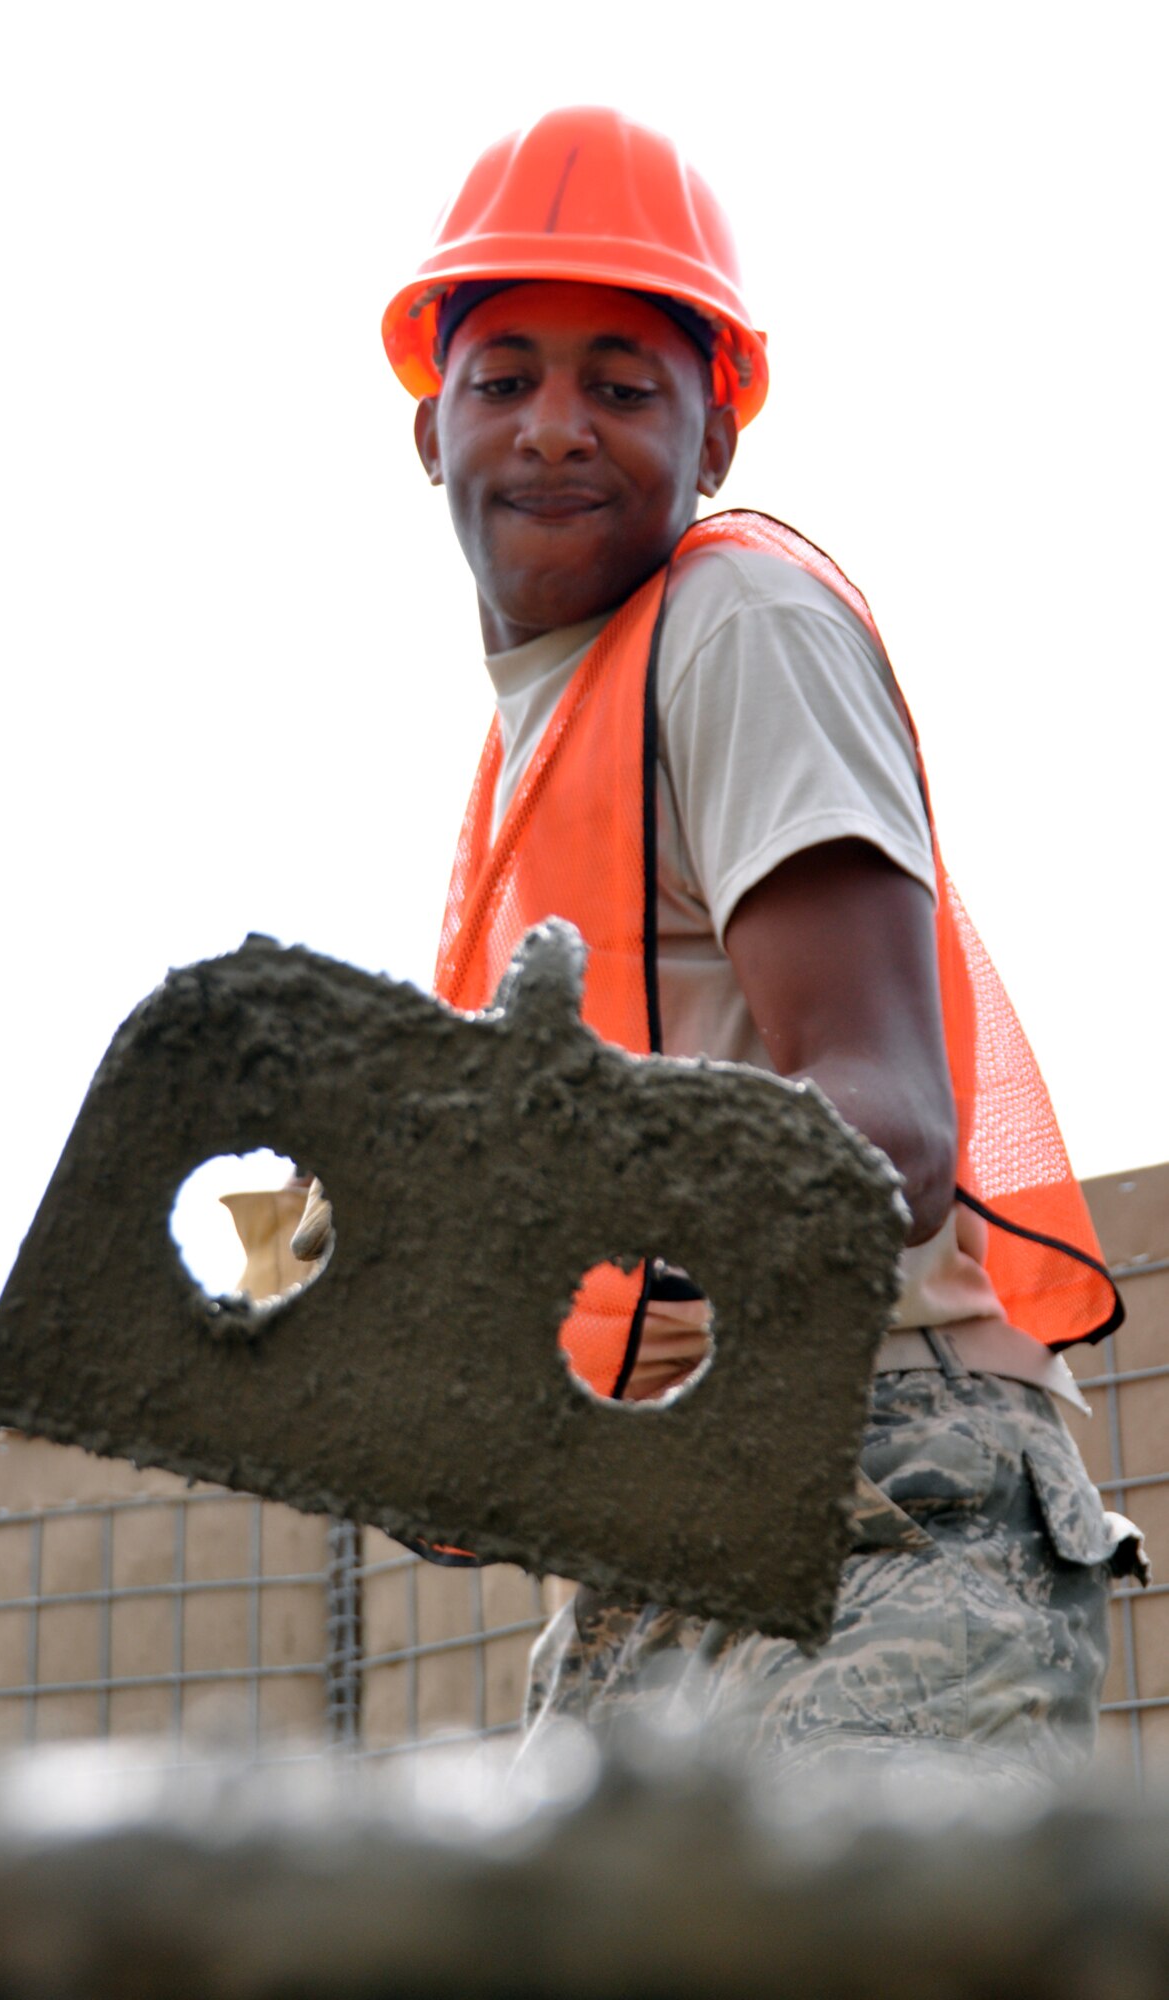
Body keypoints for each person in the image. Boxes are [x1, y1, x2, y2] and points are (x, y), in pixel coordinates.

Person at [368, 107, 1148, 1783]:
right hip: (665, 1509)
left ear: (715, 433)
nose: (554, 429)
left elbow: (886, 1123)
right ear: (426, 428)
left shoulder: (739, 626)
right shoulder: (537, 743)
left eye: (622, 383)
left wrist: (591, 1249)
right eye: (503, 379)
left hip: (880, 1476)